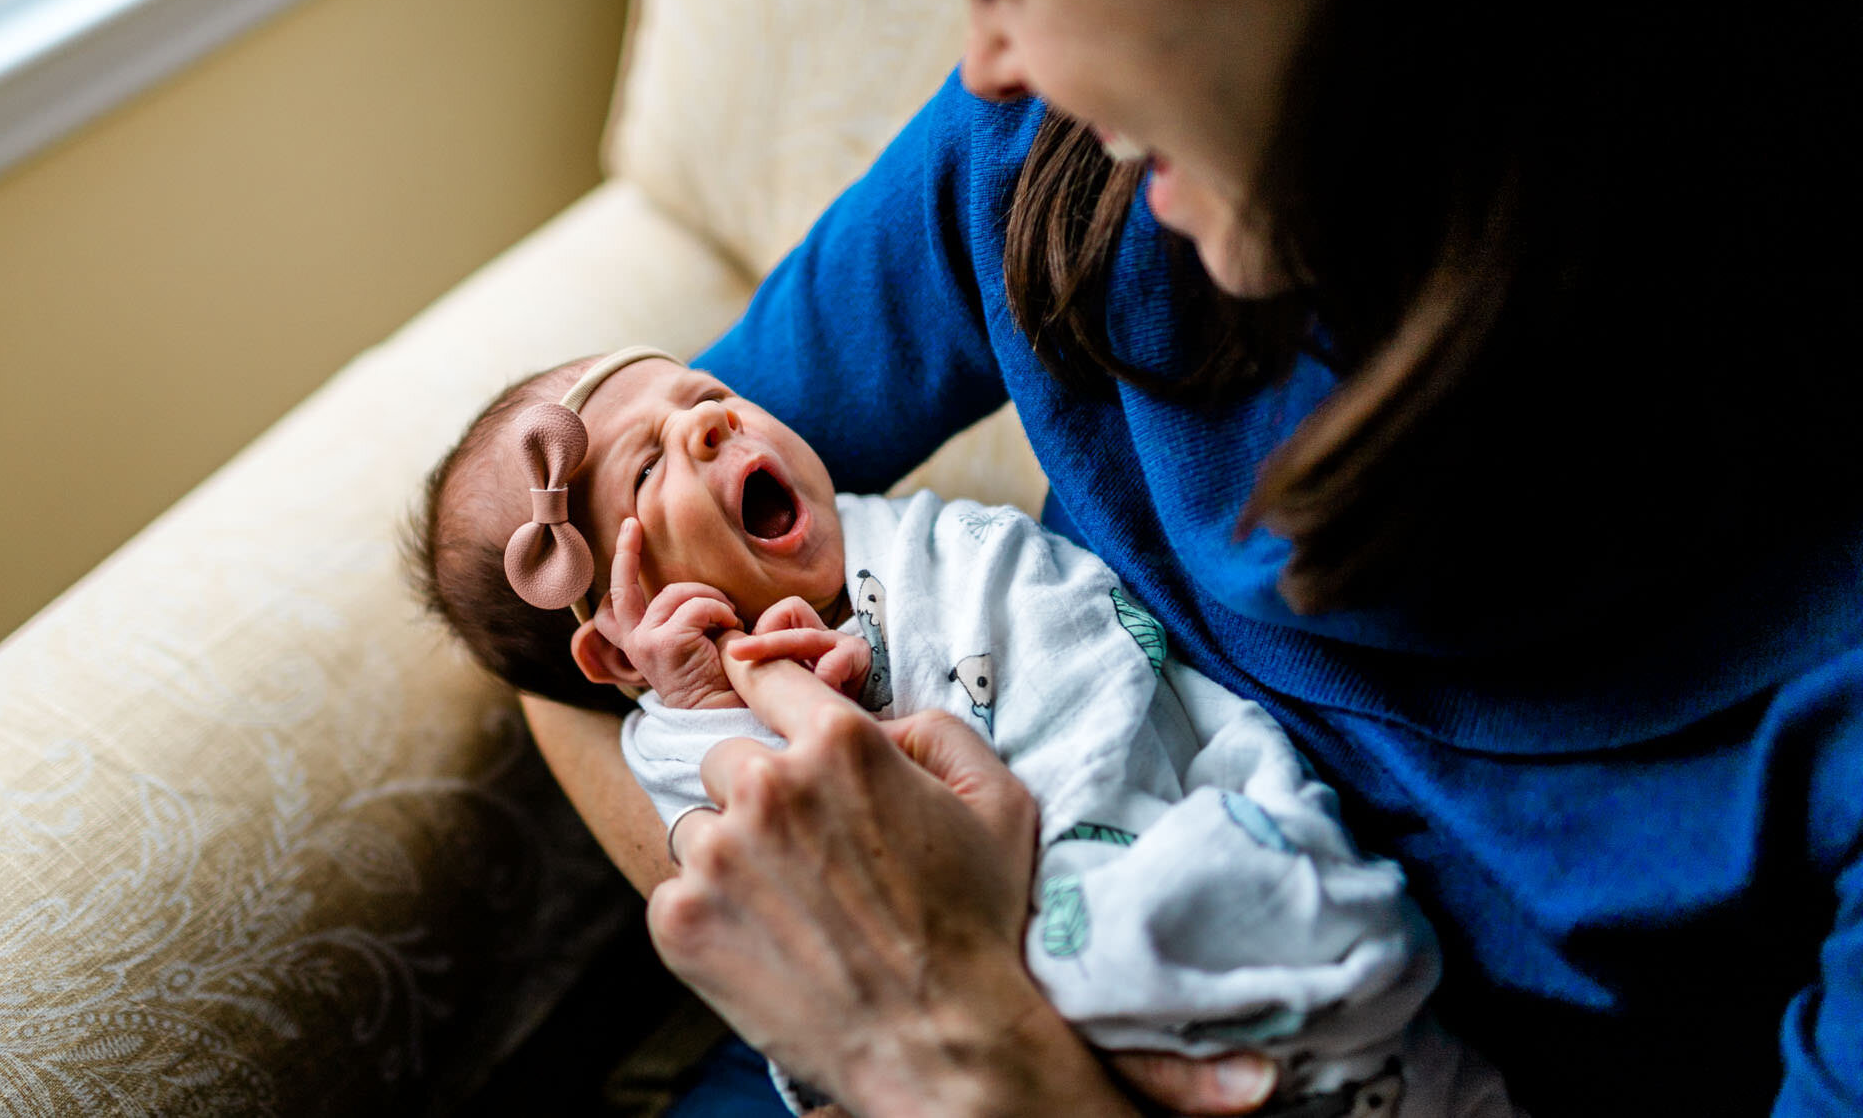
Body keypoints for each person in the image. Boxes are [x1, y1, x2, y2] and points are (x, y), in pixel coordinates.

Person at [520, 0, 1863, 1115]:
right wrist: (827, 934)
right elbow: (552, 620)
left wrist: (957, 1033)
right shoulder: (1051, 165)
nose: (987, 58)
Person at [411, 346, 1520, 1116]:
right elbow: (742, 857)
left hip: (1121, 886)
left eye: (705, 395)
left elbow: (1083, 683)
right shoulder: (672, 720)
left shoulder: (946, 558)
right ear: (611, 649)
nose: (707, 422)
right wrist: (714, 701)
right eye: (645, 471)